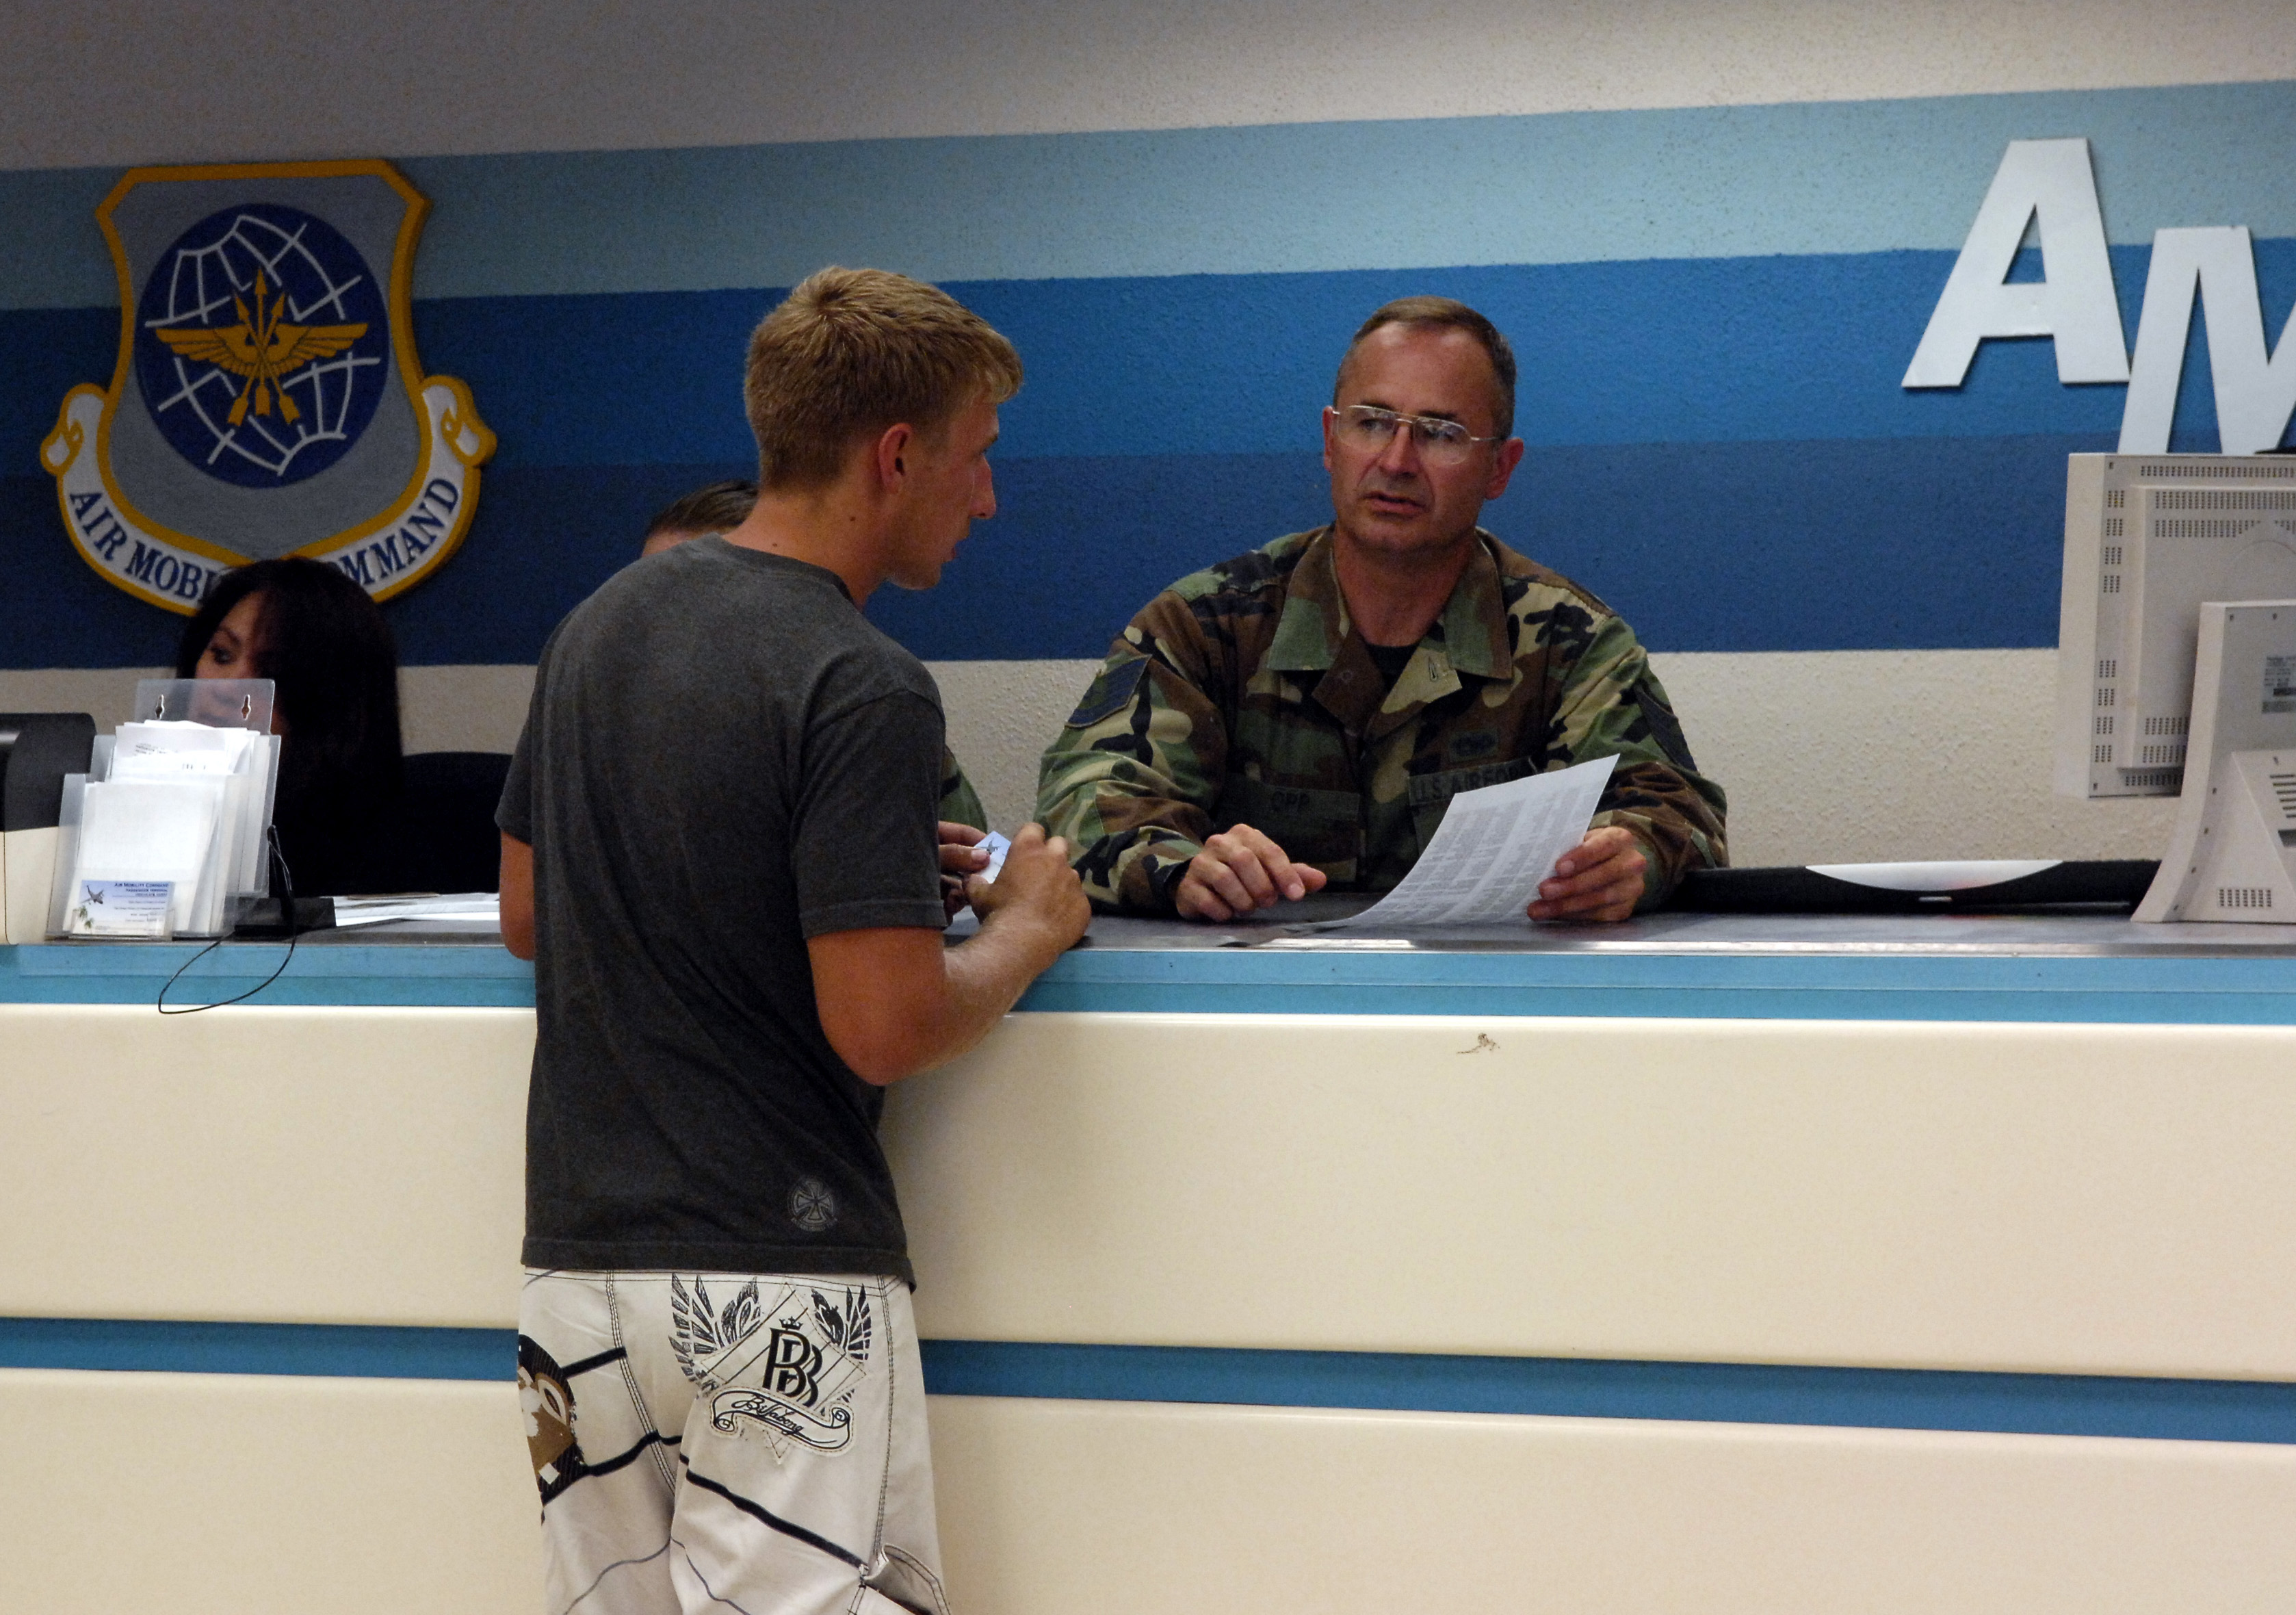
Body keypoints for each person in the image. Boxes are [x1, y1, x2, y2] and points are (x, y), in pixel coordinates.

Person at [496, 266, 1090, 1615]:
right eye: (977, 456)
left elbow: (530, 915)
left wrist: (805, 888)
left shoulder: (597, 626)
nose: (987, 498)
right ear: (897, 454)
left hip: (574, 1276)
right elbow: (884, 1026)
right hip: (776, 1278)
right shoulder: (860, 679)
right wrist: (1028, 929)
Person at [1036, 296, 1728, 922]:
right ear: (1329, 440)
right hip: (1249, 996)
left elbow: (1676, 810)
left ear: (1500, 468)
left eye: (1441, 433)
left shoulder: (1567, 641)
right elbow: (1082, 799)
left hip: (1489, 999)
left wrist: (1628, 859)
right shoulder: (1205, 626)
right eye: (1371, 423)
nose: (1397, 461)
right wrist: (1180, 869)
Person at [637, 477, 993, 850]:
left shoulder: (870, 714)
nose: (662, 626)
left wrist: (987, 867)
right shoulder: (616, 737)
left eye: (696, 599)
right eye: (646, 596)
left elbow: (981, 851)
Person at [178, 556, 406, 896]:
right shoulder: (135, 808)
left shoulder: (384, 857)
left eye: (270, 670)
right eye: (221, 655)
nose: (227, 688)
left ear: (333, 703)